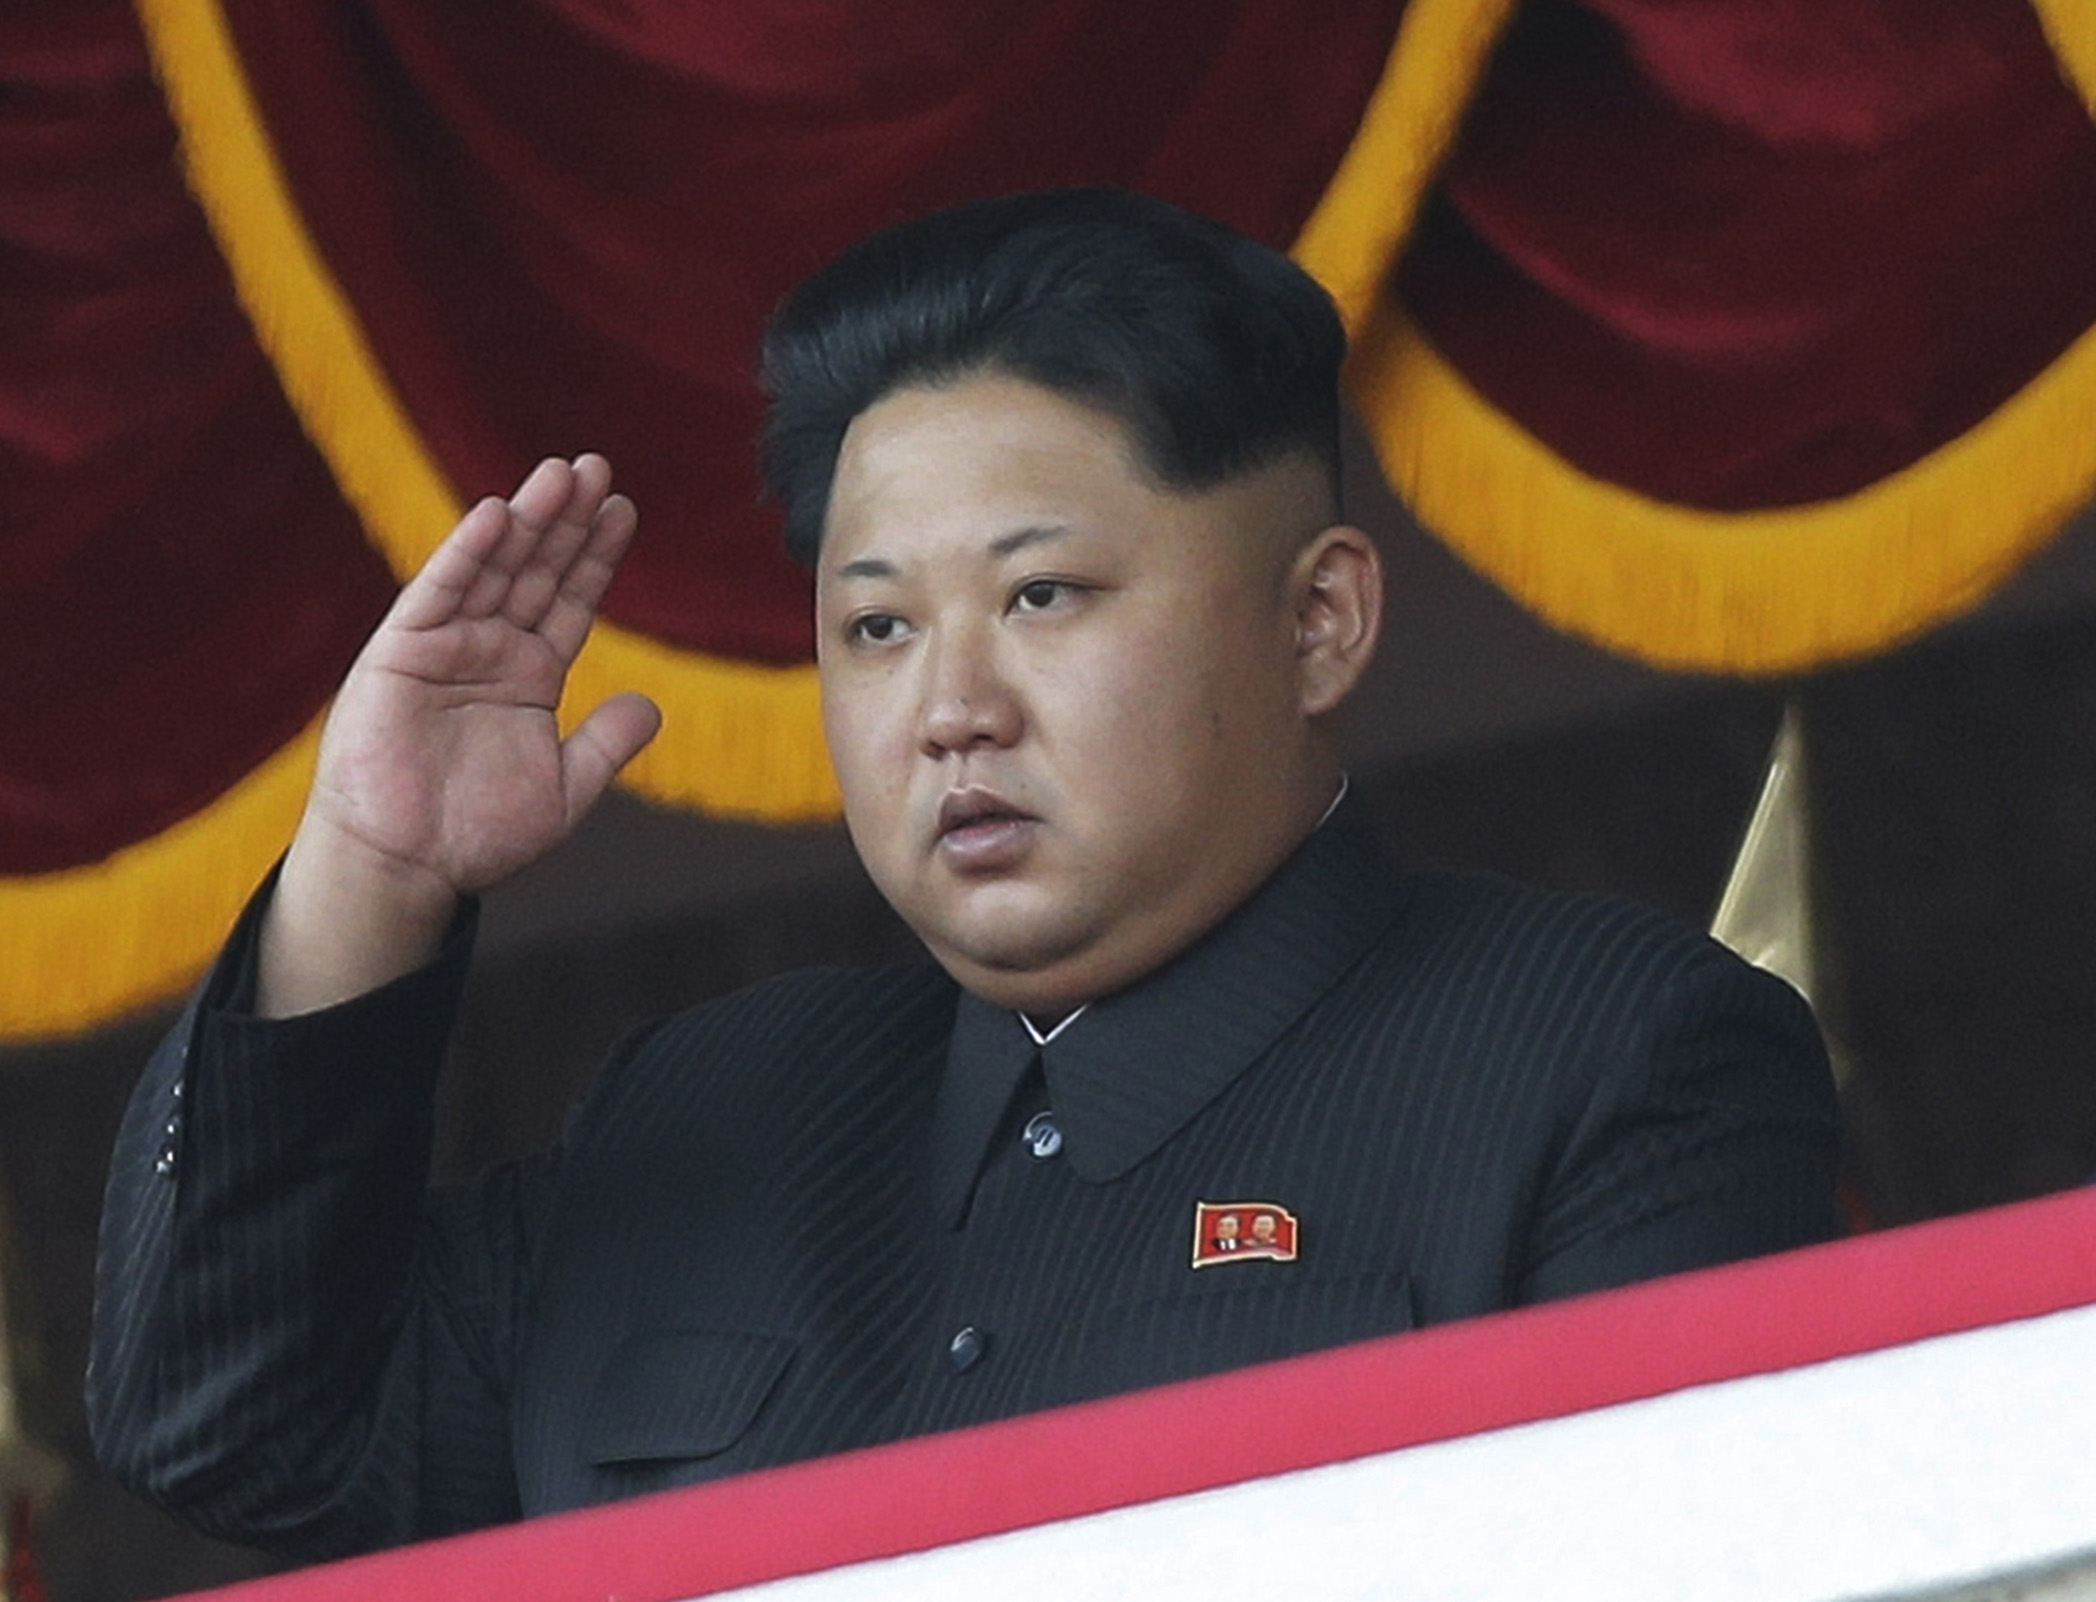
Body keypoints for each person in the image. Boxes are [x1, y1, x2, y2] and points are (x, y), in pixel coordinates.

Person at [89, 188, 1840, 1560]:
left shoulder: (1617, 1063)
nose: (950, 709)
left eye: (1042, 596)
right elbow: (229, 1427)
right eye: (875, 625)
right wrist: (371, 870)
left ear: (1319, 618)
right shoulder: (705, 1113)